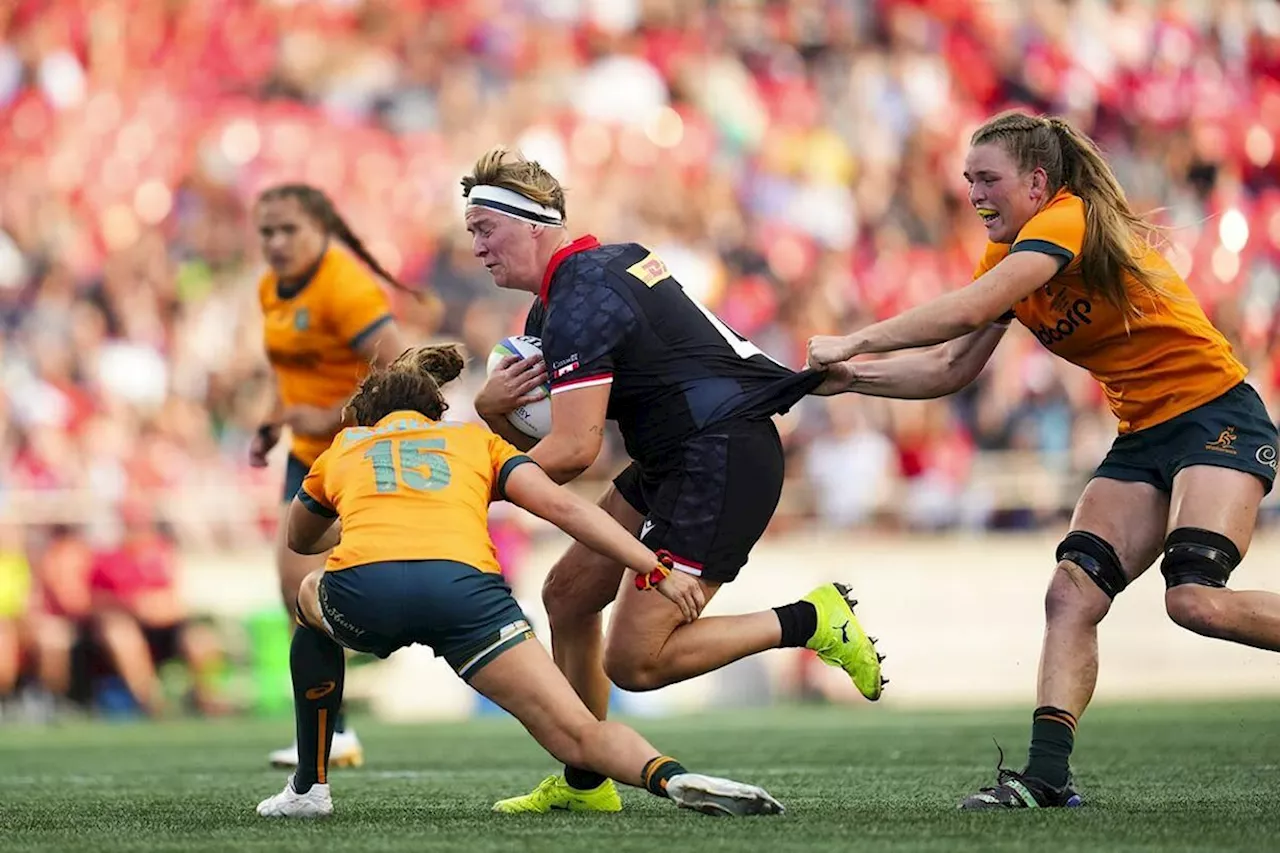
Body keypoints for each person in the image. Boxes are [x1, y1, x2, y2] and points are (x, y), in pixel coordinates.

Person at [806, 111, 1280, 810]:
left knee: (1195, 599)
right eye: (968, 179)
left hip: (1216, 414)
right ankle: (1048, 777)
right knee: (1071, 593)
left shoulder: (1067, 218)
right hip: (1144, 434)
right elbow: (947, 367)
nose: (974, 193)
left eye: (987, 178)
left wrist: (852, 341)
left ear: (1035, 181)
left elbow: (970, 310)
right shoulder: (1007, 256)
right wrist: (855, 379)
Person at [465, 147, 885, 814]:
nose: (477, 246)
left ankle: (811, 618)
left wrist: (467, 484)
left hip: (717, 455)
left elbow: (572, 452)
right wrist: (495, 418)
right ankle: (586, 779)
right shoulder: (576, 290)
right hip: (680, 454)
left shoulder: (581, 300)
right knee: (569, 594)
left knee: (635, 661)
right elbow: (567, 450)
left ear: (535, 223)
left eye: (486, 227)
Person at [255, 346, 784, 820]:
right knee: (579, 733)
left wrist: (364, 518)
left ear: (366, 415)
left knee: (306, 598)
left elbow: (300, 541)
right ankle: (670, 775)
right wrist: (653, 566)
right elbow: (562, 507)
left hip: (365, 593)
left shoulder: (345, 446)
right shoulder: (473, 441)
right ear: (438, 410)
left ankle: (309, 787)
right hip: (467, 596)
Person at [249, 184, 415, 768]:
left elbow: (402, 368)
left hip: (355, 451)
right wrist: (273, 422)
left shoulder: (344, 286)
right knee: (292, 586)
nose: (275, 242)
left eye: (288, 229)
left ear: (321, 229)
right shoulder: (271, 287)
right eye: (266, 231)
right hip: (305, 454)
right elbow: (288, 370)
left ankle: (340, 723)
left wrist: (329, 415)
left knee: (319, 589)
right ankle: (333, 730)